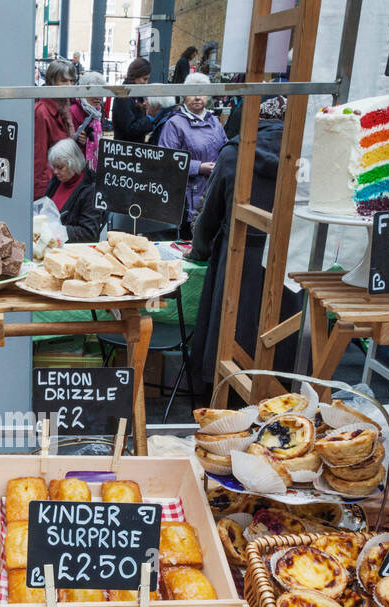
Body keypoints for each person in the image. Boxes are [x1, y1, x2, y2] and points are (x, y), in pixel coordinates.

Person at [190, 95, 298, 389]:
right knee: (281, 334)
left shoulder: (234, 153)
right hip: (291, 259)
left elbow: (209, 216)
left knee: (234, 332)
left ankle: (228, 390)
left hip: (238, 257)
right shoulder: (305, 153)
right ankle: (281, 392)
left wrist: (198, 251)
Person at [157, 72, 227, 233]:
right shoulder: (174, 124)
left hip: (212, 193)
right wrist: (199, 167)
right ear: (184, 96)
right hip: (185, 200)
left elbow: (225, 150)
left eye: (202, 92)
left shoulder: (214, 122)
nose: (197, 97)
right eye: (192, 92)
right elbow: (165, 162)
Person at [43, 137, 102, 242]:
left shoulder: (90, 190)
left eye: (60, 167)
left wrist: (59, 230)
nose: (55, 172)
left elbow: (89, 233)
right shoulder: (58, 180)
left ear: (73, 164)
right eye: (54, 167)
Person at [34, 57, 77, 199]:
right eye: (64, 81)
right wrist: (41, 196)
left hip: (63, 181)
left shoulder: (64, 106)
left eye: (72, 81)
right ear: (52, 82)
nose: (69, 85)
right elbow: (39, 158)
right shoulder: (42, 111)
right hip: (49, 186)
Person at [111, 56, 154, 142]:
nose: (146, 83)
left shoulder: (135, 94)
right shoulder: (123, 96)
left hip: (131, 148)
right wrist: (150, 117)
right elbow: (130, 129)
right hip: (125, 149)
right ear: (136, 75)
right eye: (144, 79)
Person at [70, 70, 105, 171]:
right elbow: (67, 143)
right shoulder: (73, 111)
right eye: (93, 93)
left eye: (101, 93)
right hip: (78, 169)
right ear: (84, 92)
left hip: (90, 172)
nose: (98, 98)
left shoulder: (97, 113)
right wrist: (79, 141)